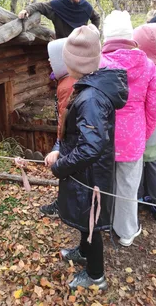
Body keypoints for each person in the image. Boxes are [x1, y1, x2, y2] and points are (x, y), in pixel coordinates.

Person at [50, 24, 128, 290]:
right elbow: (80, 138)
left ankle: (96, 276)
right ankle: (83, 252)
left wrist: (61, 167)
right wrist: (61, 150)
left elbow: (91, 147)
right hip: (86, 172)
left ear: (76, 63)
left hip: (91, 175)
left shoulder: (91, 98)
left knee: (92, 223)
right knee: (87, 220)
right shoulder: (87, 88)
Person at [100, 10, 156, 246]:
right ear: (130, 35)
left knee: (105, 181)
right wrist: (144, 134)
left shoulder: (100, 63)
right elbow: (154, 105)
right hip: (133, 136)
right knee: (128, 185)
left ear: (107, 37)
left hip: (104, 135)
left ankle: (103, 222)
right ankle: (126, 232)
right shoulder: (146, 65)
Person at [134, 23, 156, 223]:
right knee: (154, 161)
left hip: (144, 122)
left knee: (141, 161)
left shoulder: (145, 66)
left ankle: (142, 198)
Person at [39, 37, 76, 217]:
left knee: (66, 172)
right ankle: (64, 204)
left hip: (71, 139)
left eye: (51, 58)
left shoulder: (67, 85)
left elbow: (65, 119)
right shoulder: (66, 79)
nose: (48, 61)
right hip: (71, 138)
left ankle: (64, 207)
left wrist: (58, 146)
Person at [18, 0, 100, 39]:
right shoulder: (57, 5)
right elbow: (40, 6)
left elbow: (96, 17)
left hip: (80, 46)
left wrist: (91, 36)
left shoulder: (85, 6)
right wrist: (26, 10)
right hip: (62, 46)